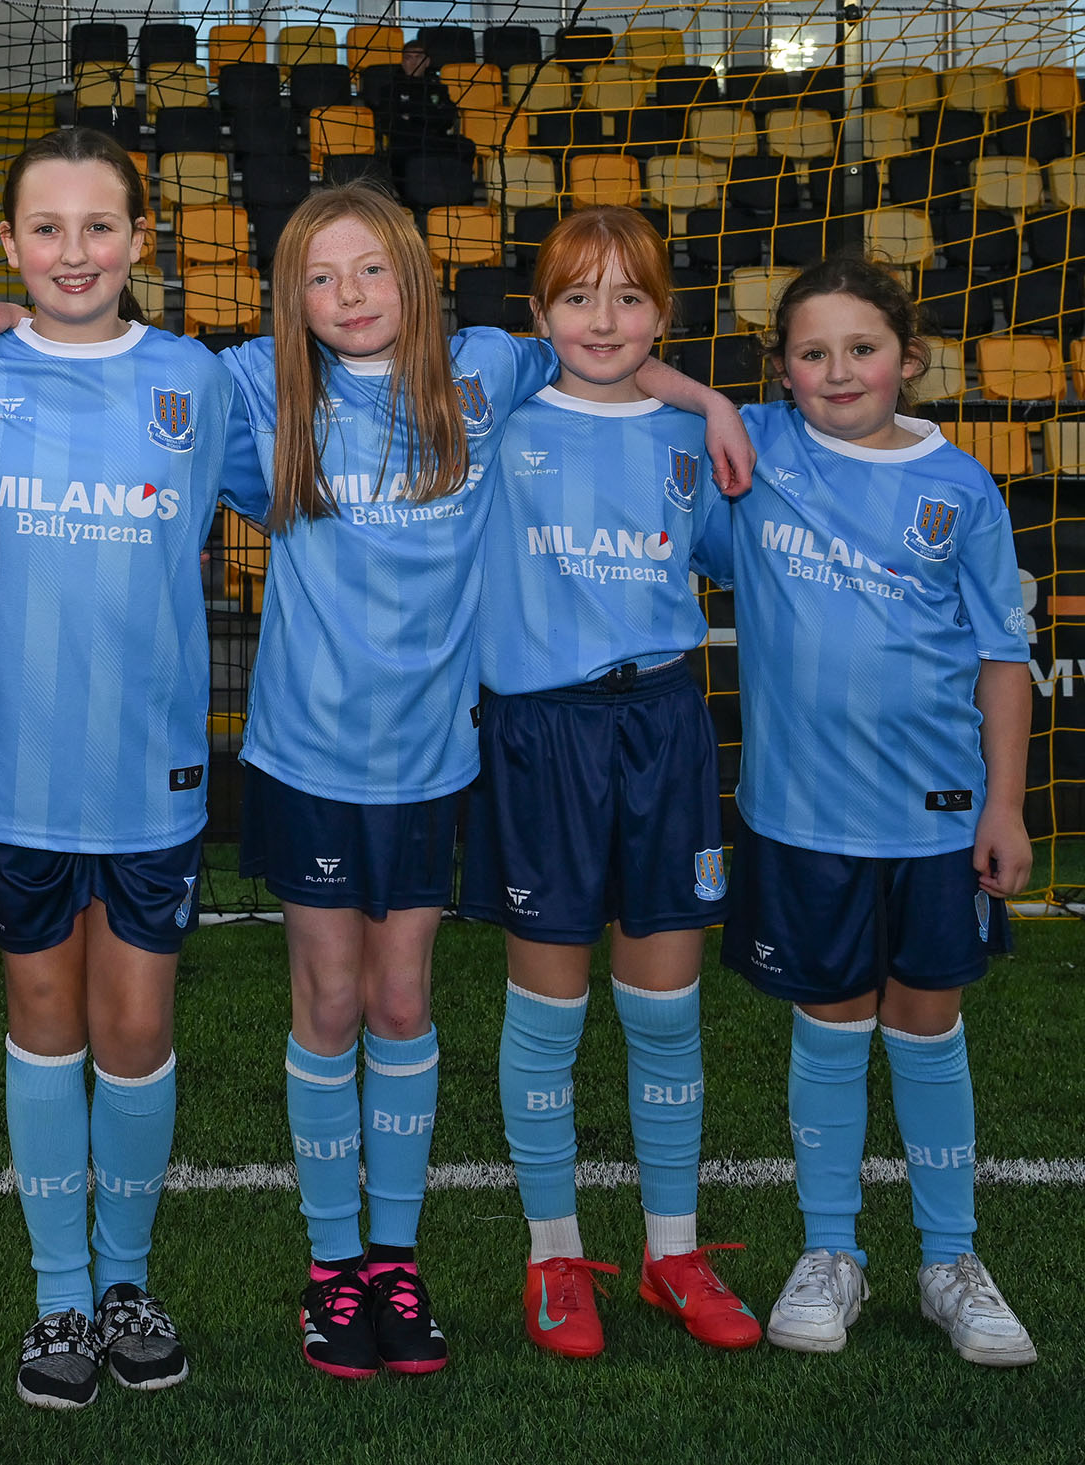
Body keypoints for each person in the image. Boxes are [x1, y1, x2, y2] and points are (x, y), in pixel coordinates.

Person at [0, 181, 751, 1380]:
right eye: (321, 278)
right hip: (305, 757)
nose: (350, 296)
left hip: (433, 761)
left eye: (372, 270)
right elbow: (115, 361)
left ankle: (395, 1263)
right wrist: (13, 321)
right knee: (327, 1004)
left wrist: (710, 396)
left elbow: (606, 348)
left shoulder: (486, 370)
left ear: (416, 276)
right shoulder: (257, 385)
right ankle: (331, 1271)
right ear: (292, 296)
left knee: (404, 1001)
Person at [0, 128, 264, 1411]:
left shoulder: (198, 382)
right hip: (11, 775)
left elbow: (304, 478)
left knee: (134, 1030)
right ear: (9, 243)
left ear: (140, 239)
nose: (75, 252)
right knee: (43, 1022)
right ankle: (61, 1292)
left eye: (99, 226)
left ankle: (125, 1278)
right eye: (47, 228)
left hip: (149, 775)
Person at [709, 257, 1038, 1368]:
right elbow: (639, 375)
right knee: (831, 1023)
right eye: (812, 352)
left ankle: (950, 1259)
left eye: (863, 347)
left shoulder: (963, 488)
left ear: (909, 356)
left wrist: (1005, 805)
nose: (839, 370)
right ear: (781, 371)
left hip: (937, 817)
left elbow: (1002, 660)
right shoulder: (761, 450)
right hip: (801, 815)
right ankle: (832, 1251)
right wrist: (712, 402)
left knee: (927, 1027)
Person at [464, 206, 757, 1358]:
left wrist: (709, 403)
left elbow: (735, 553)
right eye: (577, 296)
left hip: (666, 726)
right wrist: (706, 389)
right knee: (549, 1011)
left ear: (662, 315)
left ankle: (671, 1253)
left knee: (665, 1012)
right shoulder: (499, 418)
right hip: (542, 733)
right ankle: (554, 1256)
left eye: (629, 296)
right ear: (538, 315)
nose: (603, 318)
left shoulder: (692, 439)